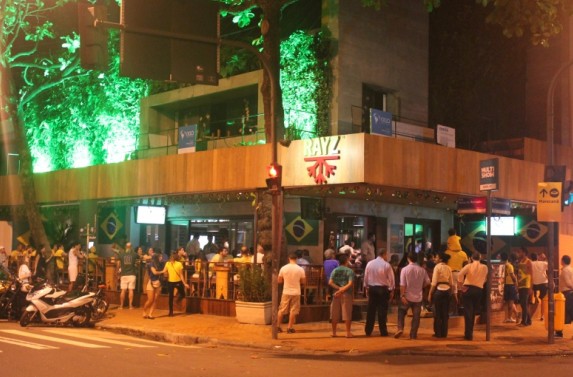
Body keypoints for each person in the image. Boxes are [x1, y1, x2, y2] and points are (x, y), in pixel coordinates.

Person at [395, 251, 430, 339]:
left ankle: (400, 328)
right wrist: (421, 286)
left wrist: (402, 295)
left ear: (408, 259)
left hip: (407, 296)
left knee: (401, 312)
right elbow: (428, 282)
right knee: (416, 317)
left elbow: (402, 284)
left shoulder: (404, 269)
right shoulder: (422, 270)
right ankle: (413, 334)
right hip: (418, 297)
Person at [363, 248, 395, 337]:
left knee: (371, 311)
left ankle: (368, 331)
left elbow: (366, 277)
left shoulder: (370, 264)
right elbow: (391, 279)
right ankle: (383, 331)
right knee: (382, 311)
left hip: (372, 289)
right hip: (383, 290)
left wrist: (366, 288)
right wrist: (392, 290)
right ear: (384, 254)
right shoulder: (386, 265)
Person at [458, 251, 488, 340]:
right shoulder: (485, 267)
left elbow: (460, 274)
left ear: (471, 258)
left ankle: (468, 334)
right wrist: (480, 283)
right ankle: (470, 333)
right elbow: (485, 279)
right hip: (478, 290)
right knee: (473, 312)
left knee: (468, 312)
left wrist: (461, 286)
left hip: (468, 289)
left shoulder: (468, 266)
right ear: (480, 258)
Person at [277, 252, 306, 334]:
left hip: (286, 291)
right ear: (296, 259)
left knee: (281, 309)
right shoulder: (300, 269)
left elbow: (279, 281)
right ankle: (289, 327)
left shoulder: (283, 268)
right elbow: (303, 281)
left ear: (289, 259)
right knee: (293, 310)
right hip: (296, 292)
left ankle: (278, 326)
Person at [328, 254, 355, 338]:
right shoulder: (350, 271)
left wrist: (339, 289)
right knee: (347, 313)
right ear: (346, 261)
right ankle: (347, 332)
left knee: (334, 313)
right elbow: (350, 283)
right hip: (347, 293)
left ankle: (334, 332)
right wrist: (343, 289)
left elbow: (330, 282)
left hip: (336, 293)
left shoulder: (335, 270)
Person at [427, 251, 453, 338]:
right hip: (447, 291)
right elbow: (451, 283)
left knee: (437, 313)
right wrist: (451, 293)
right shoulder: (449, 268)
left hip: (438, 291)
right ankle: (444, 333)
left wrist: (430, 294)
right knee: (445, 314)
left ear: (441, 259)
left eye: (437, 257)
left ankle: (438, 333)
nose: (435, 259)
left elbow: (434, 283)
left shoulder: (437, 267)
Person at [445, 228, 467, 315]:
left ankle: (453, 310)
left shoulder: (446, 253)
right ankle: (460, 309)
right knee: (460, 292)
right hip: (460, 274)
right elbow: (466, 265)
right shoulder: (463, 254)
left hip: (450, 274)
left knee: (452, 293)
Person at [164, 252, 189, 317]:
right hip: (170, 281)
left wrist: (184, 283)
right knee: (170, 297)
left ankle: (178, 300)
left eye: (172, 258)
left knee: (183, 294)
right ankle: (171, 312)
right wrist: (161, 273)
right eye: (170, 258)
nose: (171, 259)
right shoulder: (167, 263)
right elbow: (164, 271)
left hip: (178, 281)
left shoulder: (179, 264)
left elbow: (181, 275)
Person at [142, 253, 165, 319]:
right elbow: (154, 272)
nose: (161, 258)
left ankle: (150, 314)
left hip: (158, 282)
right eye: (160, 256)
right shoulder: (151, 264)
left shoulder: (161, 264)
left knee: (155, 299)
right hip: (151, 282)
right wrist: (162, 271)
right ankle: (144, 311)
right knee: (150, 300)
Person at [117, 242, 139, 309]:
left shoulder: (121, 254)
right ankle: (130, 306)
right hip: (132, 274)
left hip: (124, 274)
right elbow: (140, 257)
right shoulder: (134, 254)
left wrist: (118, 272)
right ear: (131, 247)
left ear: (125, 247)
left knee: (123, 290)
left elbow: (118, 264)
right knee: (131, 290)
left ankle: (121, 305)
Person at [516, 247, 533, 326]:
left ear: (524, 252)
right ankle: (528, 321)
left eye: (520, 252)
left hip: (526, 285)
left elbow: (531, 275)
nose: (519, 253)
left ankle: (524, 322)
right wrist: (517, 285)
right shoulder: (520, 261)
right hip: (521, 285)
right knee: (523, 304)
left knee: (524, 303)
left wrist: (531, 287)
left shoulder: (528, 261)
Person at [500, 252, 518, 323]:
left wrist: (515, 284)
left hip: (509, 285)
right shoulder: (507, 265)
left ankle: (510, 317)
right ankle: (512, 316)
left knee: (510, 303)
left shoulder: (508, 266)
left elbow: (513, 276)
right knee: (508, 302)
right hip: (507, 285)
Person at [530, 252, 548, 321]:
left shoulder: (531, 263)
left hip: (535, 283)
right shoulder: (545, 263)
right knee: (543, 300)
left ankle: (531, 316)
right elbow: (549, 271)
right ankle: (542, 315)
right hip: (544, 283)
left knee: (535, 300)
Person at [558, 255, 573, 338]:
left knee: (562, 312)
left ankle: (559, 332)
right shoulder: (571, 269)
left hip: (566, 293)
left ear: (563, 261)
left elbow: (568, 283)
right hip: (569, 293)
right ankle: (559, 331)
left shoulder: (565, 270)